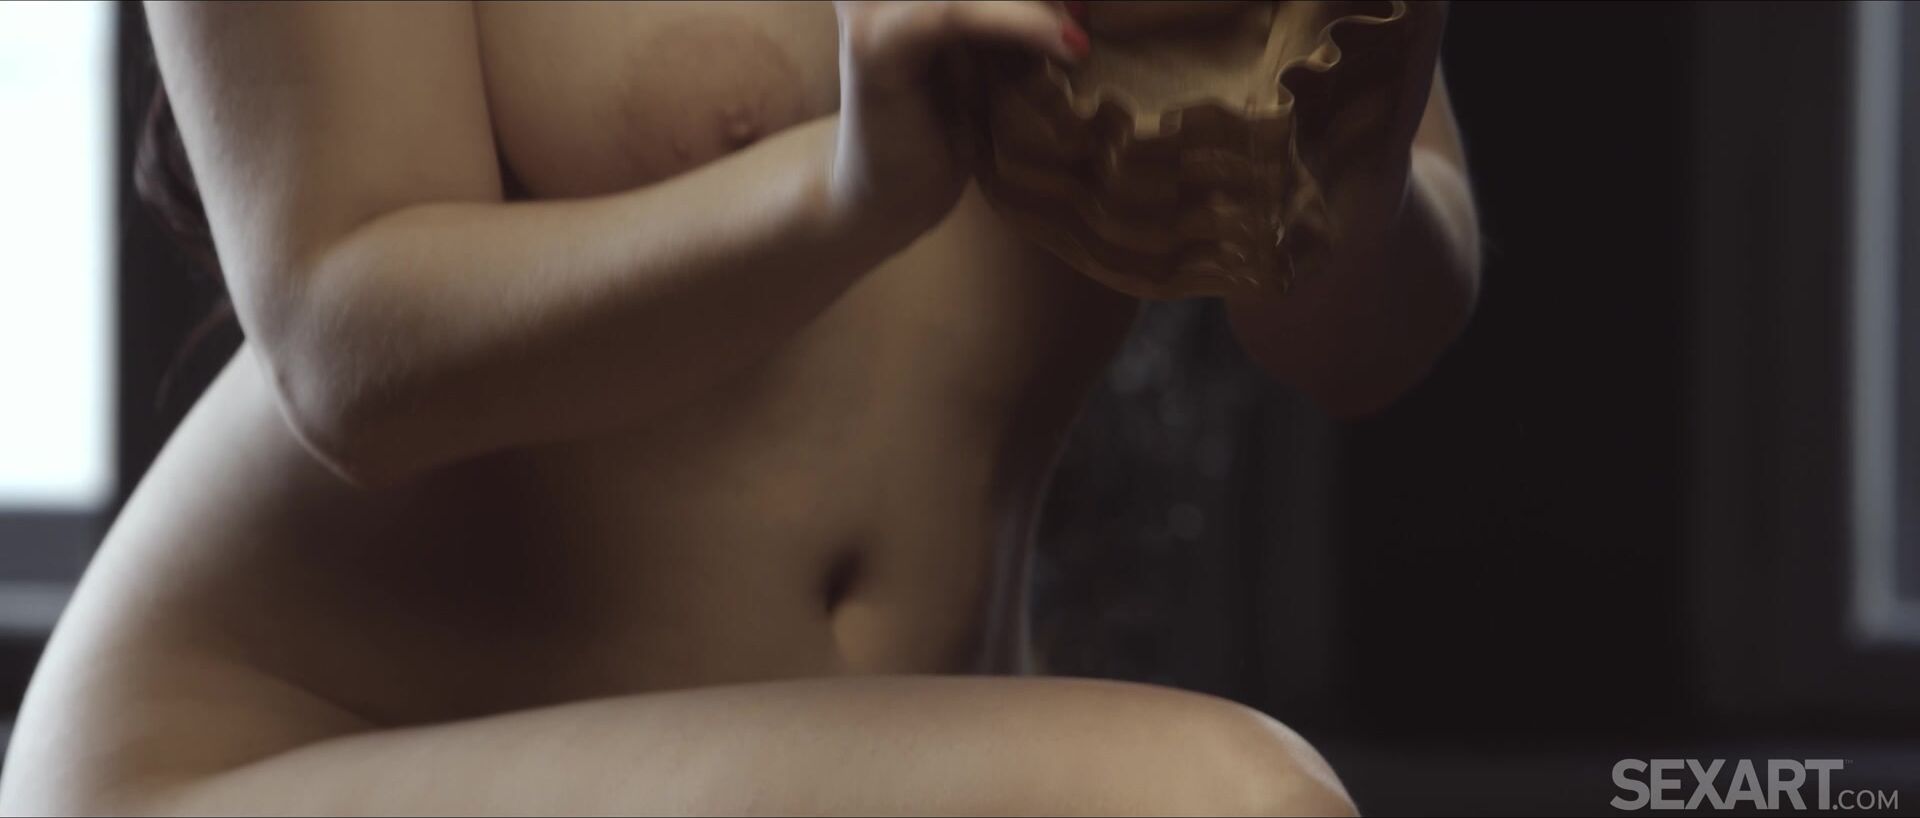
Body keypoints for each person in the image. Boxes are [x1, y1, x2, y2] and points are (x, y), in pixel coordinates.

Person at [0, 1, 1477, 813]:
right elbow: (347, 348)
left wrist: (1335, 153)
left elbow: (1366, 333)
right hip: (274, 761)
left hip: (884, 745)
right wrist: (843, 192)